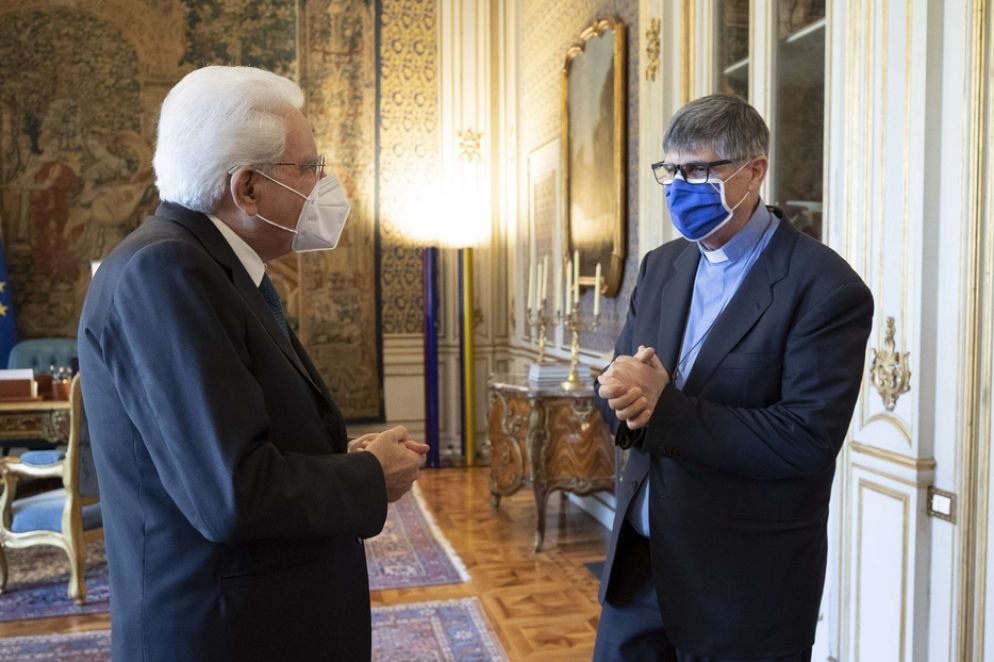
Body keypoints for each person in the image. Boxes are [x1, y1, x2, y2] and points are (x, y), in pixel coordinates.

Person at [78, 66, 427, 662]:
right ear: (248, 189)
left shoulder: (210, 265)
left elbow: (239, 437)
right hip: (226, 633)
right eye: (309, 168)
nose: (323, 183)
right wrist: (370, 479)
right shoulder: (166, 272)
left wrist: (342, 458)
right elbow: (230, 491)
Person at [592, 95, 874, 661]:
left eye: (700, 170)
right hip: (639, 570)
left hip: (743, 591)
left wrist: (662, 404)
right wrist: (619, 389)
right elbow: (621, 394)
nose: (679, 186)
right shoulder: (662, 265)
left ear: (754, 171)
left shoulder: (825, 288)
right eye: (670, 170)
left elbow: (804, 441)